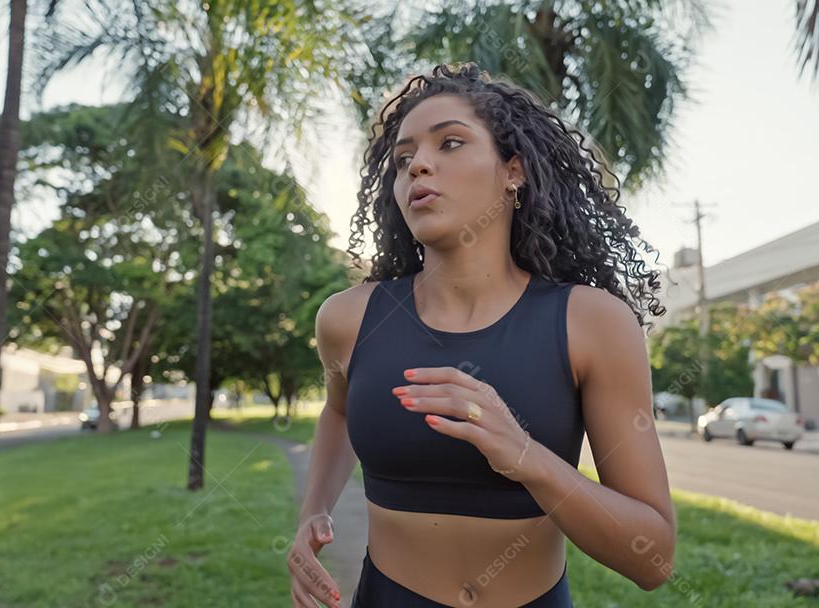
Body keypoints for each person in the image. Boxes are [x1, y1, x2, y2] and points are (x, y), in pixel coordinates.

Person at [287, 62, 675, 608]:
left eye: (449, 143)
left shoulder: (593, 322)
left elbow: (653, 558)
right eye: (403, 159)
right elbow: (341, 410)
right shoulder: (348, 319)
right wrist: (314, 510)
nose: (418, 165)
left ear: (512, 171)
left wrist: (524, 455)